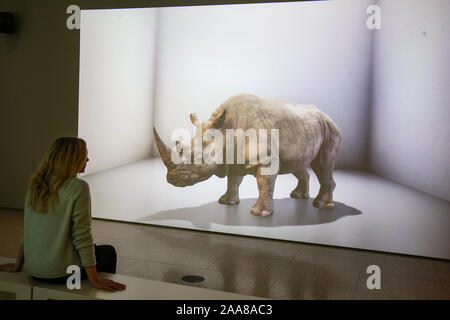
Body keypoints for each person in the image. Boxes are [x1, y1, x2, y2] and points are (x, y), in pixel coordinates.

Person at [0, 137, 126, 292]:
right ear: (71, 160)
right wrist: (96, 280)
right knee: (108, 252)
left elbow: (29, 230)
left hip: (33, 270)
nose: (87, 159)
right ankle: (90, 293)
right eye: (83, 156)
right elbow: (82, 236)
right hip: (63, 274)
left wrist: (17, 264)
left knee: (93, 250)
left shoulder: (36, 185)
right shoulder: (78, 187)